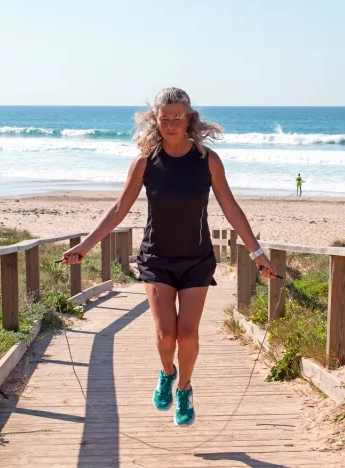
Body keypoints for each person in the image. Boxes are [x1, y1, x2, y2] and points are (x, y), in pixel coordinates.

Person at [60, 88, 277, 427]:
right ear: (156, 120)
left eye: (178, 117)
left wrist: (258, 253)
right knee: (166, 335)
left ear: (189, 118)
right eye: (165, 118)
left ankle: (185, 389)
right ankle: (167, 373)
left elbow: (231, 208)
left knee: (187, 334)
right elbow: (119, 208)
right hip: (156, 259)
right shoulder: (146, 161)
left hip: (196, 260)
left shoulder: (208, 160)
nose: (172, 123)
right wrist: (84, 246)